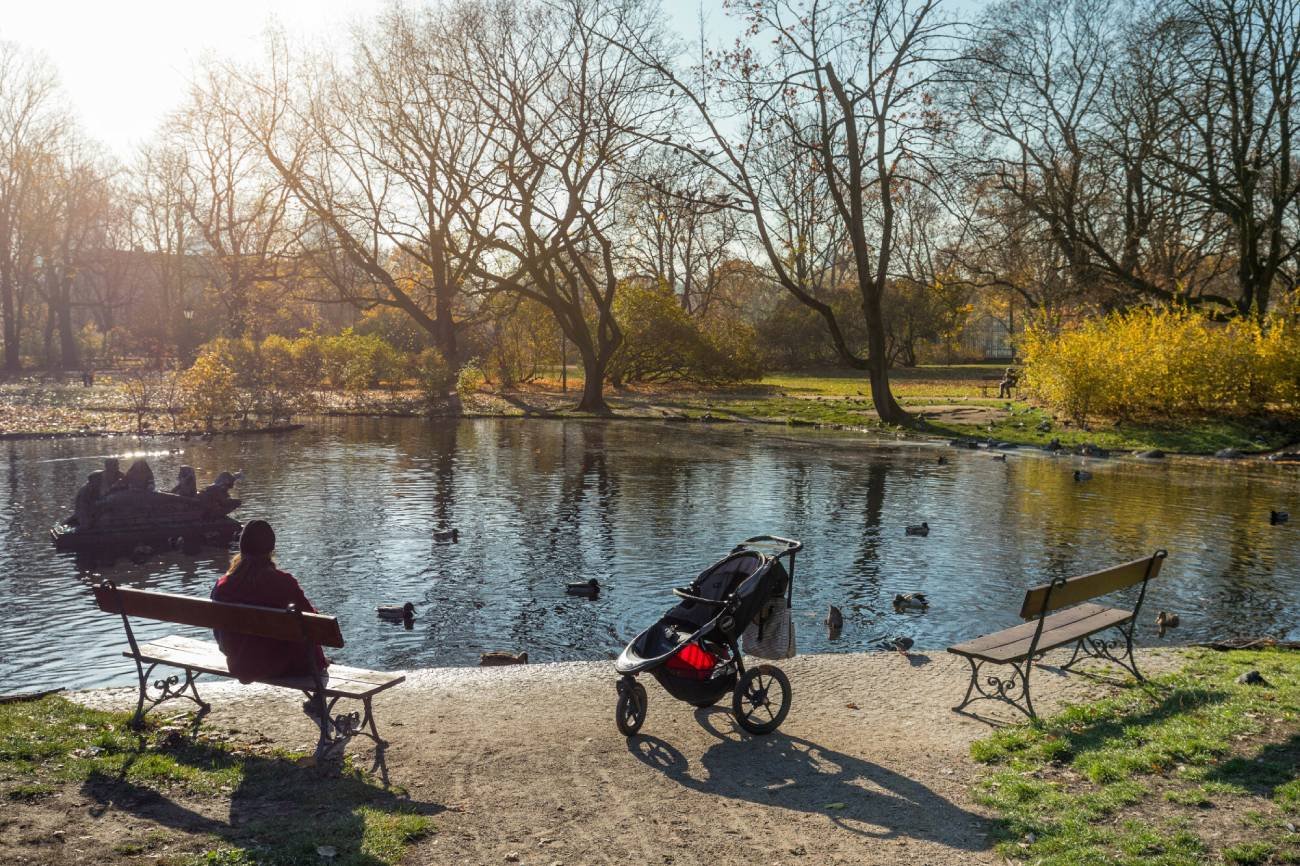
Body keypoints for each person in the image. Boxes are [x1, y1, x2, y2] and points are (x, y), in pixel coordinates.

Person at [210, 520, 329, 684]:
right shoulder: (283, 582)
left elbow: (218, 633)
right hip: (290, 667)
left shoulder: (223, 586)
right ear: (271, 548)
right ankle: (318, 703)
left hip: (242, 665)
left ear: (241, 547)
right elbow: (313, 624)